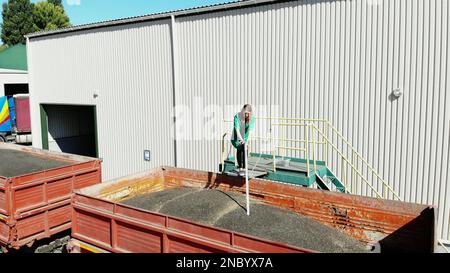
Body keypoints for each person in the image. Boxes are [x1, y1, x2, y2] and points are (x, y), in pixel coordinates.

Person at [231, 104, 256, 175]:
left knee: (245, 148)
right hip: (237, 136)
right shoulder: (237, 116)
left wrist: (247, 141)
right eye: (244, 113)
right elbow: (237, 129)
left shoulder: (252, 119)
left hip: (245, 136)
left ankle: (245, 168)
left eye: (247, 114)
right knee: (239, 148)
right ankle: (240, 167)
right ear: (242, 111)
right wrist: (240, 139)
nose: (245, 115)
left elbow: (250, 131)